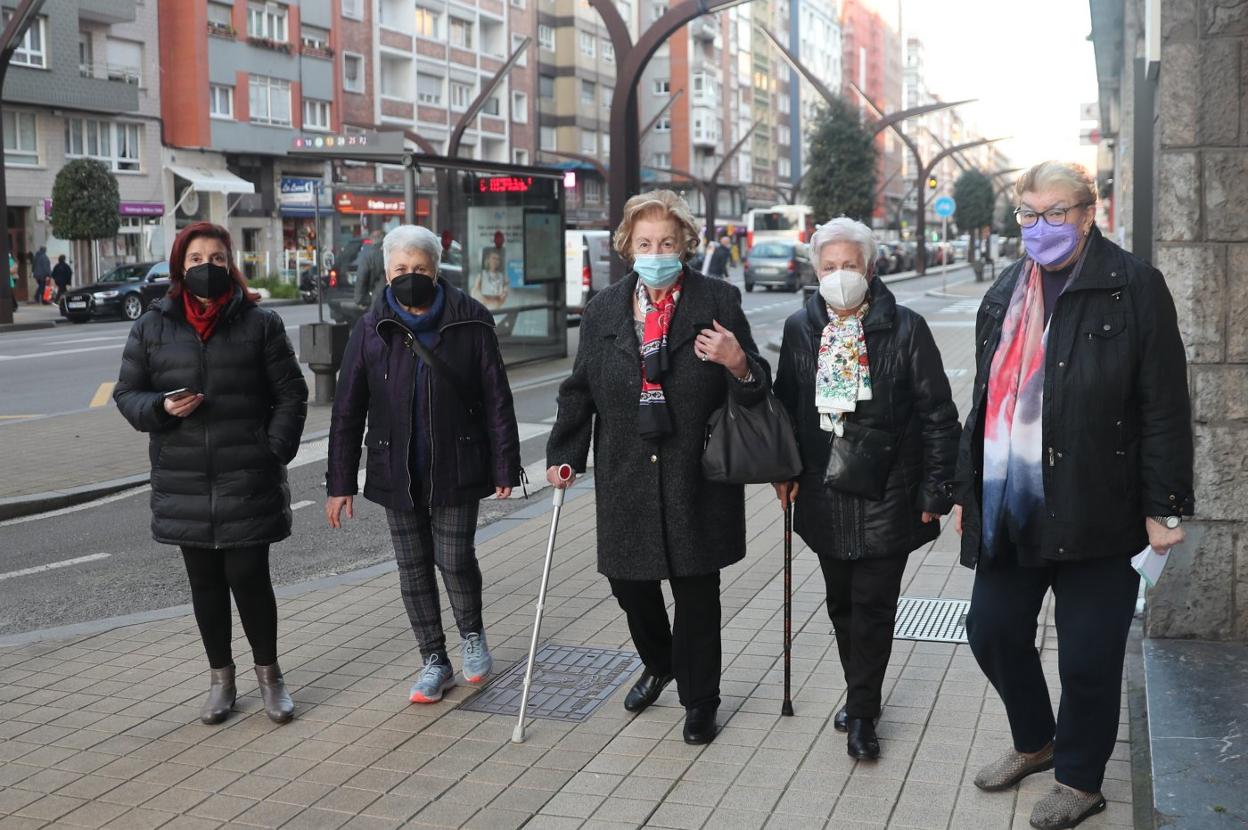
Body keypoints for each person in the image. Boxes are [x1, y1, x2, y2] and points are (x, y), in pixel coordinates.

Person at [952, 161, 1193, 830]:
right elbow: (985, 404)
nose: (1040, 226)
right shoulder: (1004, 290)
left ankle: (1080, 781)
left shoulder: (1135, 286)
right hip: (1014, 503)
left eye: (1056, 212)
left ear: (1089, 214)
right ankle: (1037, 740)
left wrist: (1164, 506)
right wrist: (967, 494)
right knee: (992, 630)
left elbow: (1165, 404)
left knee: (1089, 654)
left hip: (1100, 505)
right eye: (1029, 213)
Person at [545, 190, 769, 745]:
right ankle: (660, 661)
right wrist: (564, 456)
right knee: (628, 582)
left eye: (666, 241)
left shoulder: (717, 299)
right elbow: (579, 391)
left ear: (685, 244)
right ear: (627, 246)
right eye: (645, 242)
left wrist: (737, 361)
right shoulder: (603, 309)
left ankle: (700, 700)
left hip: (696, 471)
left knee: (696, 590)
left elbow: (760, 381)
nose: (656, 251)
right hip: (625, 470)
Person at [772, 217, 960, 761]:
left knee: (873, 606)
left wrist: (936, 491)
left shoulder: (906, 328)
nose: (839, 276)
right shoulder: (798, 328)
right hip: (822, 493)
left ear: (870, 268)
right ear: (815, 271)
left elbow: (939, 417)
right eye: (829, 267)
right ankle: (860, 693)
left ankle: (863, 714)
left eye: (849, 266)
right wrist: (783, 472)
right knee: (840, 606)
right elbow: (786, 407)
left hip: (889, 493)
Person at [113, 222, 308, 726]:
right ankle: (221, 680)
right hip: (184, 479)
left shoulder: (260, 323)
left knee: (249, 577)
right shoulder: (152, 326)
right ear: (180, 266)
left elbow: (291, 392)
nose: (207, 267)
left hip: (247, 472)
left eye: (218, 259)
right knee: (204, 582)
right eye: (197, 258)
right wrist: (160, 406)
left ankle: (271, 677)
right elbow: (127, 395)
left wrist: (274, 450)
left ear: (230, 265)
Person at [326, 225, 522, 704]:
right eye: (400, 270)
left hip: (456, 459)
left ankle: (472, 635)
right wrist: (340, 481)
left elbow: (496, 396)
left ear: (435, 271)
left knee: (453, 559)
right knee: (412, 567)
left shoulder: (470, 319)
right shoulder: (370, 328)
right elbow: (347, 408)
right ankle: (434, 659)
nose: (409, 277)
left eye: (419, 269)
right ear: (386, 272)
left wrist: (504, 465)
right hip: (396, 467)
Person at [353, 228, 387, 309]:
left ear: (371, 240)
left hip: (377, 297)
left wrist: (360, 299)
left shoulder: (369, 256)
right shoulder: (391, 253)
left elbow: (362, 277)